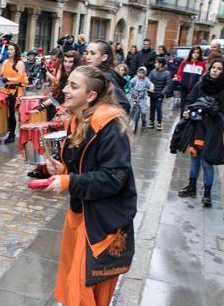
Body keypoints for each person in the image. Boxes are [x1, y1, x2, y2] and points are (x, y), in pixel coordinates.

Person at [44, 66, 136, 306]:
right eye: (67, 84)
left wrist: (68, 181)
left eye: (74, 86)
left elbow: (114, 177)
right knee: (73, 285)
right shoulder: (78, 120)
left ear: (91, 95)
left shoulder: (110, 126)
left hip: (102, 221)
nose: (64, 89)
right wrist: (62, 171)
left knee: (85, 290)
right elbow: (82, 168)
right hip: (81, 213)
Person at [178, 59, 224, 207]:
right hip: (196, 128)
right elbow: (189, 100)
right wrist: (187, 111)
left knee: (207, 162)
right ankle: (191, 187)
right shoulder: (200, 84)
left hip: (212, 131)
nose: (215, 70)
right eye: (213, 67)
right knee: (195, 158)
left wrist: (211, 112)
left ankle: (207, 194)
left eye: (219, 68)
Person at [83, 40, 131, 113]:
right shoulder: (95, 73)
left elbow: (124, 105)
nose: (87, 57)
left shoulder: (106, 77)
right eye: (87, 53)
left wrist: (103, 119)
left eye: (92, 53)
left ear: (104, 57)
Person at [0, 42, 28, 144]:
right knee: (6, 112)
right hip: (5, 90)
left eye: (11, 49)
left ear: (16, 51)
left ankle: (12, 134)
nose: (9, 51)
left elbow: (20, 78)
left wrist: (9, 78)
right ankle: (7, 130)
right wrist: (0, 62)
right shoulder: (6, 61)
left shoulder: (19, 63)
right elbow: (0, 74)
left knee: (11, 113)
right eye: (8, 49)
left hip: (15, 91)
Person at [175, 46, 206, 110]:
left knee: (193, 106)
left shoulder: (202, 63)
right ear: (191, 53)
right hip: (184, 88)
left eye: (197, 53)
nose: (195, 54)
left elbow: (204, 75)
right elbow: (179, 73)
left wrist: (200, 84)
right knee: (183, 106)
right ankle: (182, 119)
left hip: (195, 89)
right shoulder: (185, 62)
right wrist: (181, 81)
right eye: (194, 52)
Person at [148, 57, 173, 130]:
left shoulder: (167, 73)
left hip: (160, 94)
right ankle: (151, 121)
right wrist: (149, 88)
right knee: (152, 108)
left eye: (156, 63)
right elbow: (149, 81)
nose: (155, 64)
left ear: (161, 64)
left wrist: (163, 92)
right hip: (152, 93)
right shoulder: (153, 71)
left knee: (158, 108)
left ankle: (159, 122)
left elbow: (168, 84)